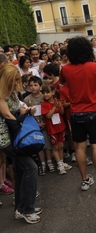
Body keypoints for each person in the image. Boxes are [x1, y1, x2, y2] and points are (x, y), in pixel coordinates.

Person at [59, 36, 96, 192]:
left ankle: (85, 180)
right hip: (94, 111)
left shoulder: (66, 69)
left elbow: (63, 83)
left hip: (76, 113)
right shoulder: (95, 67)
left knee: (80, 148)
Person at [0, 64, 42, 224]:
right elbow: (6, 113)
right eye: (15, 79)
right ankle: (26, 209)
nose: (18, 82)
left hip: (13, 136)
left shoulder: (10, 93)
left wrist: (25, 111)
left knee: (20, 171)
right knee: (30, 168)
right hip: (6, 138)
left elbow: (16, 110)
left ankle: (21, 208)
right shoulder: (2, 94)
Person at [41, 85, 72, 175]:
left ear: (53, 92)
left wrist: (59, 106)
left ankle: (61, 162)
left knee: (61, 145)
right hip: (52, 128)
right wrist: (54, 107)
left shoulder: (57, 100)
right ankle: (59, 164)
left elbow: (62, 113)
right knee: (55, 147)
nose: (45, 95)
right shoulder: (44, 104)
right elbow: (48, 116)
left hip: (60, 126)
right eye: (44, 93)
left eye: (47, 92)